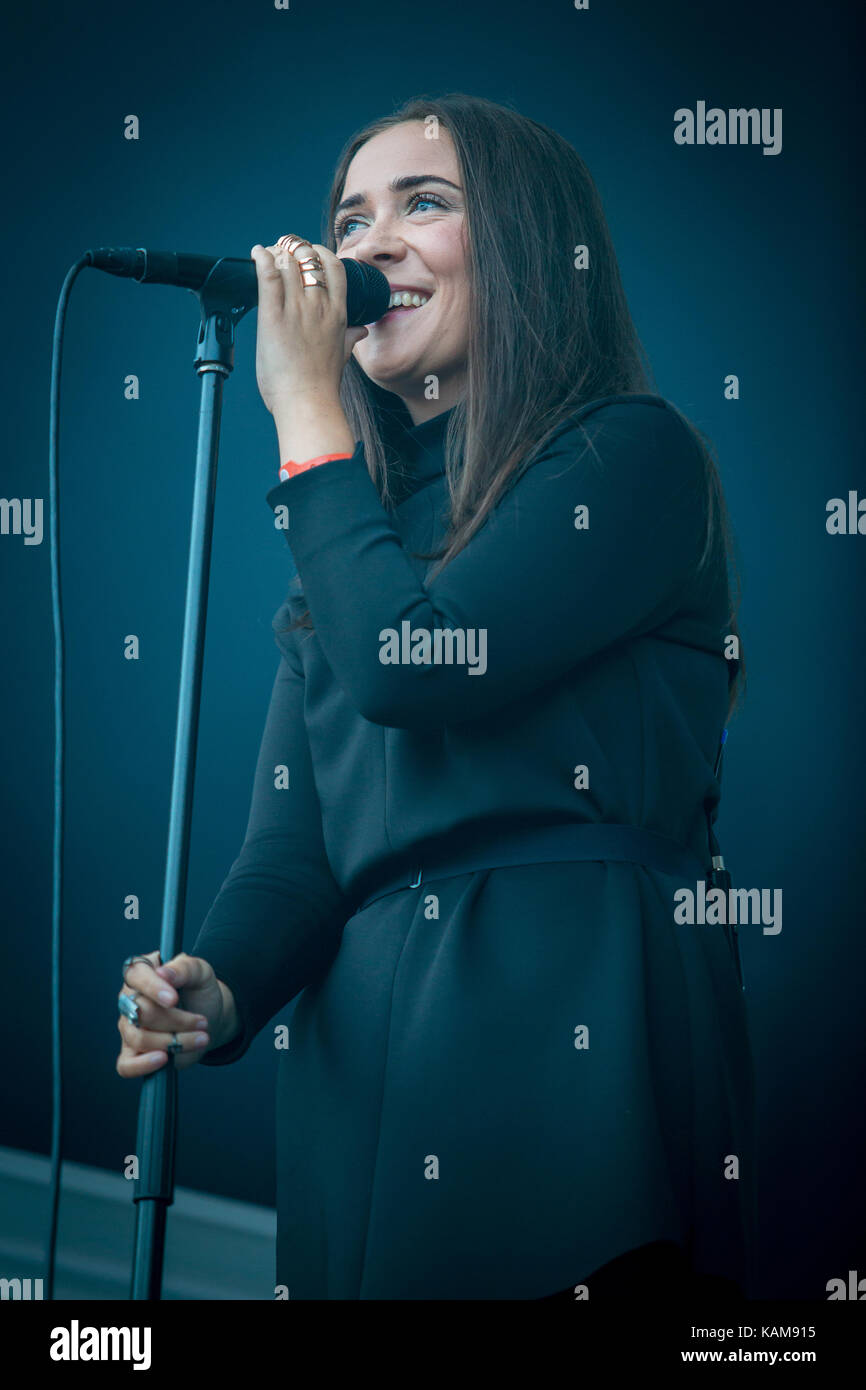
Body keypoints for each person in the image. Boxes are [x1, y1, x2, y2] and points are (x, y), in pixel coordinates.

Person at [116, 93, 756, 1301]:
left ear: (525, 242)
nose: (368, 244)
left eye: (424, 203)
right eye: (350, 217)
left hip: (565, 1024)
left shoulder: (629, 458)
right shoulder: (344, 554)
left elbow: (416, 667)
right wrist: (221, 981)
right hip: (364, 1067)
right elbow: (294, 856)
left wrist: (304, 420)